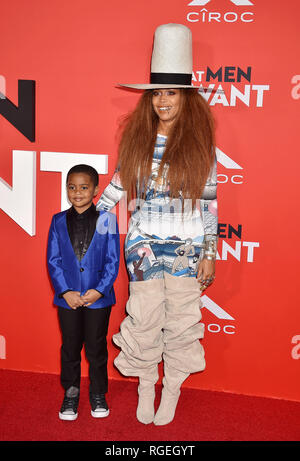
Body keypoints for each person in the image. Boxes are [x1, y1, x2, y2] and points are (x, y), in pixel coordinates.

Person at [97, 24, 218, 426]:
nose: (163, 101)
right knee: (144, 316)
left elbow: (209, 202)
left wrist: (209, 252)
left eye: (172, 93)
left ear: (187, 98)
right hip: (142, 244)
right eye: (157, 93)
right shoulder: (138, 139)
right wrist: (93, 218)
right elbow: (117, 184)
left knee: (182, 322)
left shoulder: (202, 145)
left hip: (187, 246)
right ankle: (147, 385)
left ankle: (173, 390)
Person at [47, 164, 120, 421]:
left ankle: (98, 393)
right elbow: (53, 260)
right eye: (72, 187)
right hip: (68, 299)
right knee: (70, 348)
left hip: (98, 301)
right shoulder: (57, 221)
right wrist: (65, 291)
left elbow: (112, 261)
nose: (77, 192)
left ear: (96, 190)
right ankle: (71, 393)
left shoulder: (106, 220)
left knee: (96, 349)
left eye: (84, 187)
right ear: (67, 189)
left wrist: (99, 291)